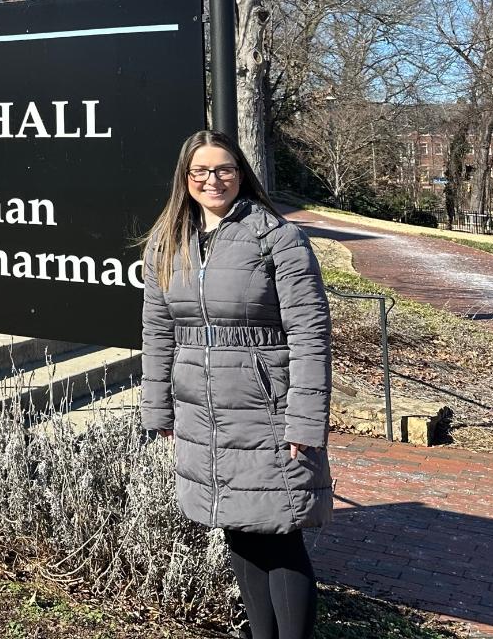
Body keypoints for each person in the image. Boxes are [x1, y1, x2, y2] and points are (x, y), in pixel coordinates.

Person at [139, 130, 332, 639]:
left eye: (223, 168)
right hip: (202, 414)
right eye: (200, 171)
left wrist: (305, 420)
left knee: (281, 533)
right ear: (186, 179)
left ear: (240, 172)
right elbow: (158, 332)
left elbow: (310, 333)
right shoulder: (167, 243)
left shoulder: (277, 238)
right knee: (239, 531)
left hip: (267, 411)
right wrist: (158, 409)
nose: (212, 180)